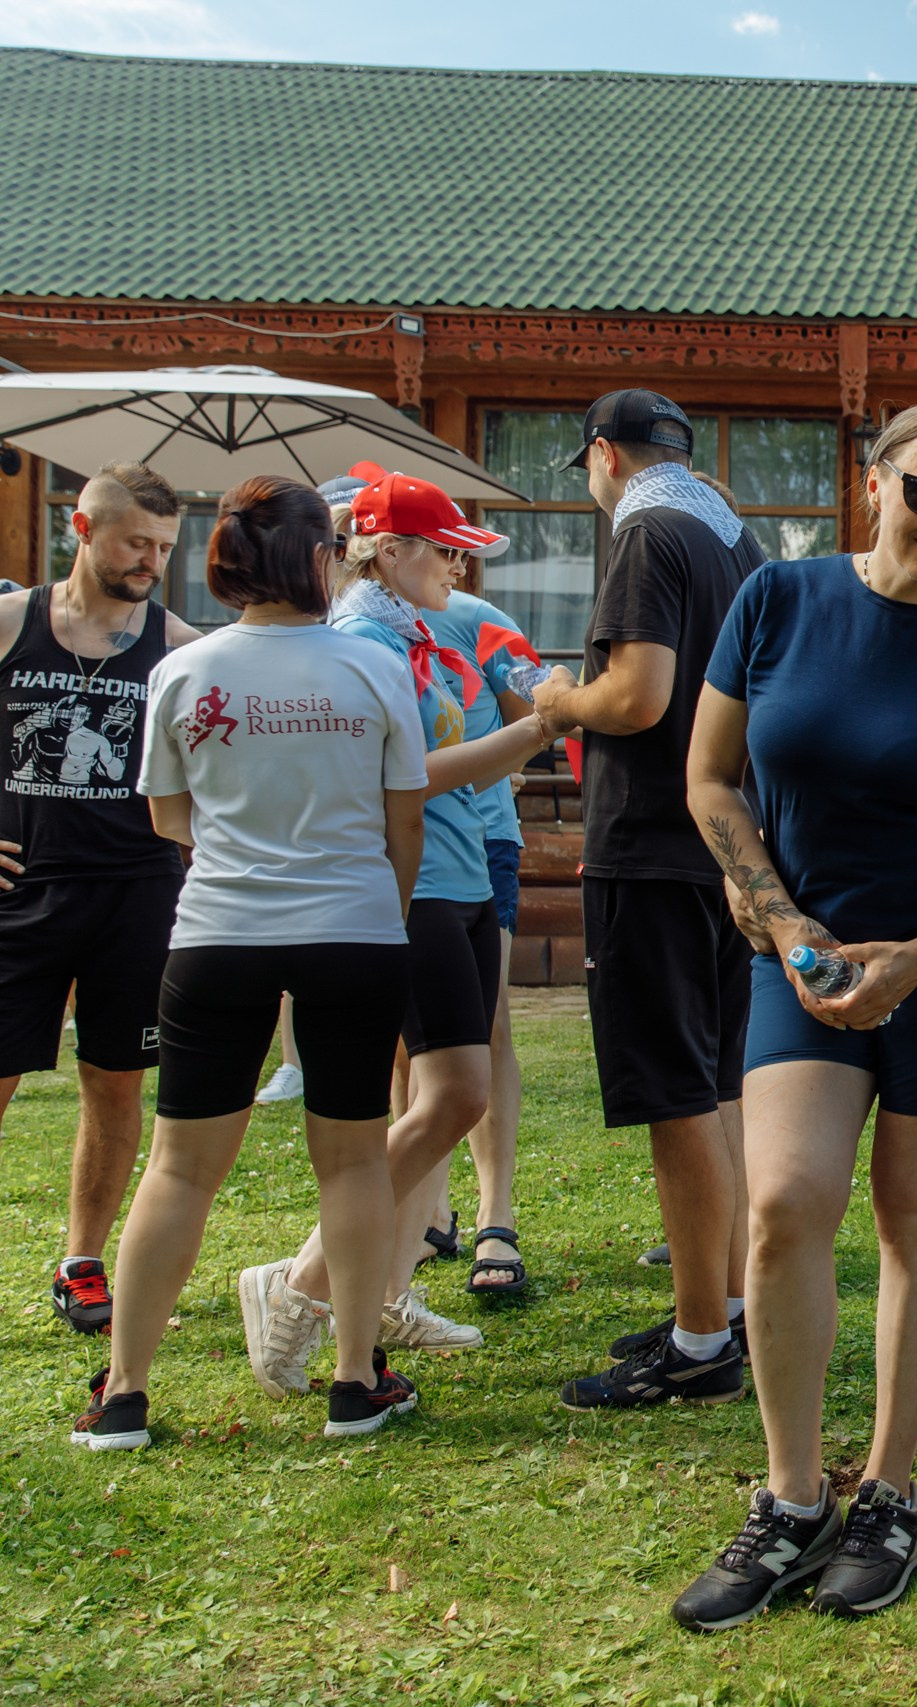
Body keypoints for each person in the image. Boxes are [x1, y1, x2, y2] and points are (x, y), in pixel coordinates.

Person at [672, 399, 917, 1630]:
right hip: (806, 960)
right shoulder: (776, 602)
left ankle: (888, 1492)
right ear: (875, 481)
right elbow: (709, 778)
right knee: (786, 1204)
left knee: (916, 1216)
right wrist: (782, 920)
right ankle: (792, 1498)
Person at [76, 476, 427, 1449]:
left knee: (181, 1168)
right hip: (354, 931)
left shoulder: (183, 674)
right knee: (352, 1158)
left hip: (218, 932)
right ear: (321, 560)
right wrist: (381, 913)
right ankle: (354, 1382)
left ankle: (124, 1394)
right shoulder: (371, 668)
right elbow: (407, 819)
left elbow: (167, 817)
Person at [235, 475, 558, 1391]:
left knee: (452, 1093)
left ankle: (361, 1287)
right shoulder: (362, 639)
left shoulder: (416, 628)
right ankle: (303, 1281)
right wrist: (536, 730)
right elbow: (411, 773)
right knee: (445, 1094)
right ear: (382, 549)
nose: (457, 562)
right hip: (407, 891)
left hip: (454, 884)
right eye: (441, 546)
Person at [533, 391, 764, 1407]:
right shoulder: (733, 537)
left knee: (675, 1096)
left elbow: (635, 697)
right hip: (726, 847)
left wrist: (553, 701)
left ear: (602, 456)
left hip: (650, 847)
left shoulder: (644, 533)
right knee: (722, 1088)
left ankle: (701, 1338)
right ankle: (726, 1303)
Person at [0, 462, 201, 1337]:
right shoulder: (10, 623)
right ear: (82, 531)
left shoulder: (182, 647)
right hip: (21, 894)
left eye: (163, 546)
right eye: (135, 542)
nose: (150, 560)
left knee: (116, 1085)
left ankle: (83, 1260)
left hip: (137, 894)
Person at [422, 546, 548, 1296]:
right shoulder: (349, 628)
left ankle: (494, 1216)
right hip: (387, 849)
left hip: (479, 842)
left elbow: (539, 706)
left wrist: (488, 766)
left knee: (484, 1023)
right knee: (411, 1046)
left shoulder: (476, 619)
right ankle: (427, 1210)